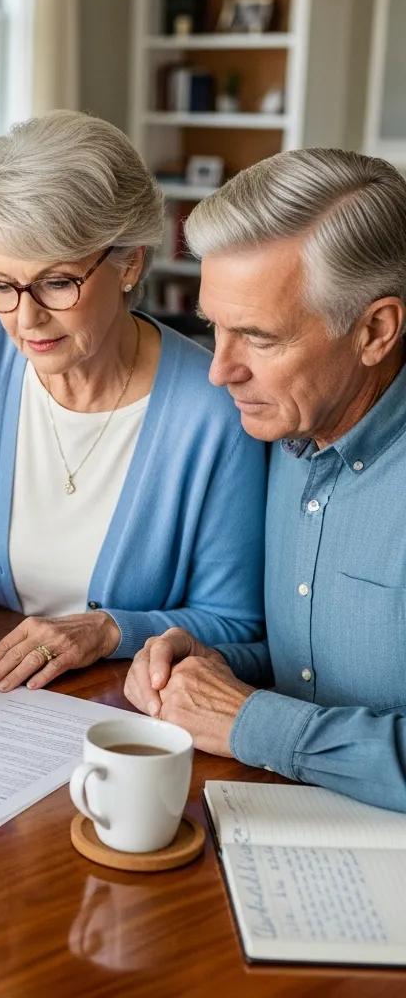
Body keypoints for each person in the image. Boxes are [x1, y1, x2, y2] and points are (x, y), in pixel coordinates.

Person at [0, 110, 266, 734]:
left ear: (128, 263)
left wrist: (109, 629)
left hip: (119, 727)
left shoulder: (212, 410)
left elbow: (237, 624)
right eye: (1, 284)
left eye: (56, 283)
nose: (25, 319)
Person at [123, 147, 406, 812]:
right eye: (215, 328)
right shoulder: (288, 432)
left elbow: (276, 718)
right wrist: (212, 664)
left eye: (260, 338)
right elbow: (313, 673)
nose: (220, 371)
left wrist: (251, 722)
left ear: (376, 330)